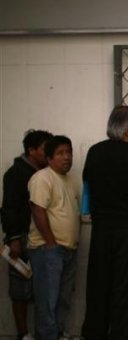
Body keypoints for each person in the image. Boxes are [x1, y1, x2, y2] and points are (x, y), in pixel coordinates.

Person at [81, 105, 128, 340]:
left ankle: (95, 333)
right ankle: (120, 334)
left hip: (103, 230)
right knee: (126, 287)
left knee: (99, 283)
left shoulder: (95, 152)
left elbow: (88, 186)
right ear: (126, 130)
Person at [1, 129, 53, 340]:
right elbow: (9, 208)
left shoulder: (47, 173)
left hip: (41, 237)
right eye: (44, 149)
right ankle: (23, 334)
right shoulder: (16, 173)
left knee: (44, 289)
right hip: (22, 238)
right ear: (31, 150)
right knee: (20, 290)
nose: (48, 153)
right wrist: (13, 238)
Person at [27, 135, 80, 340]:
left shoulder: (69, 180)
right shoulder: (42, 178)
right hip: (48, 250)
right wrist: (50, 243)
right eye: (60, 153)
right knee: (47, 300)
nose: (66, 157)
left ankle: (56, 334)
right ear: (49, 158)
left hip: (68, 249)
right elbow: (38, 210)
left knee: (63, 299)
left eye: (69, 152)